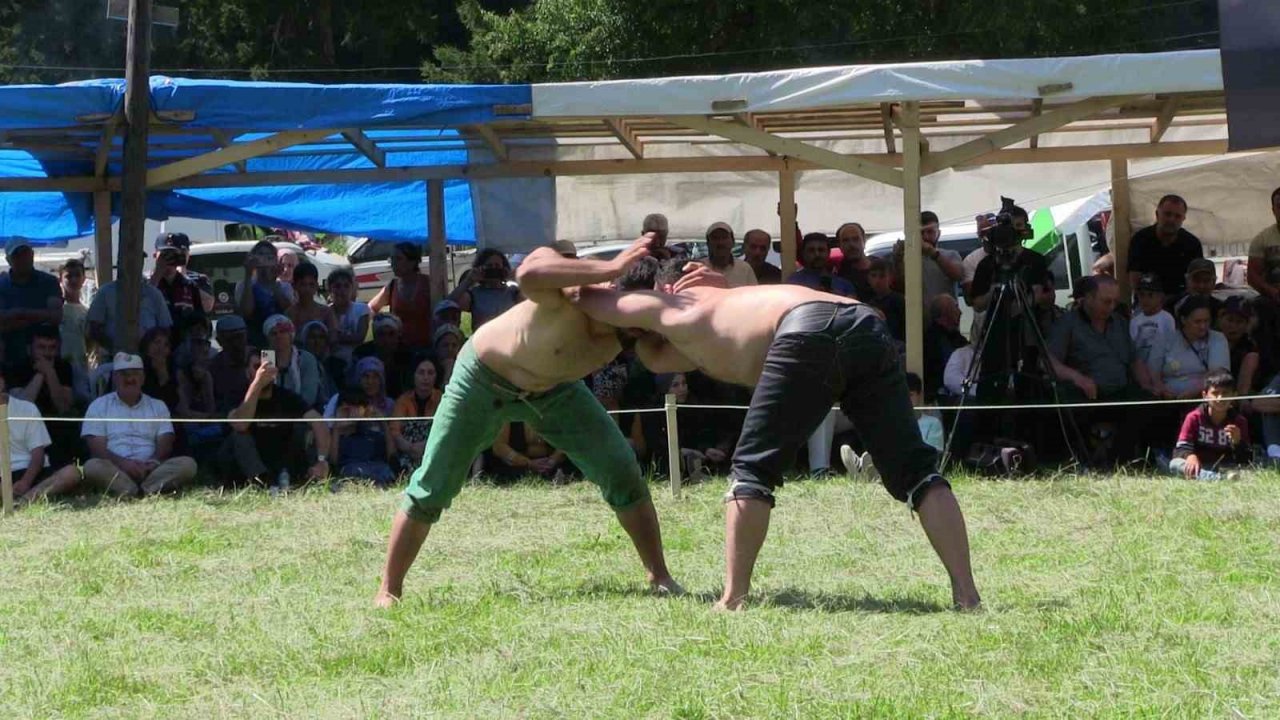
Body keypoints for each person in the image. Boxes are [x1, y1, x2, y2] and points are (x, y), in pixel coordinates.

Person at [574, 258, 980, 611]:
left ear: (662, 290)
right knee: (915, 470)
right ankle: (968, 596)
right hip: (862, 321)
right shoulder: (723, 306)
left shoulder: (670, 304)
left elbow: (590, 299)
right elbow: (655, 354)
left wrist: (601, 272)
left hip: (805, 330)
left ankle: (732, 599)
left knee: (752, 471)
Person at [375, 234, 681, 608]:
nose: (645, 320)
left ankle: (659, 575)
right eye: (642, 308)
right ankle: (388, 590)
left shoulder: (639, 333)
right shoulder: (574, 294)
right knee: (433, 484)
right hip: (482, 380)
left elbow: (678, 355)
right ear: (618, 292)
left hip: (554, 391)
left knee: (621, 468)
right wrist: (611, 266)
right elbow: (529, 271)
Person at [77, 353, 198, 497]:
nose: (130, 379)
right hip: (115, 469)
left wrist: (152, 462)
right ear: (114, 378)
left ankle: (143, 489)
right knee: (92, 466)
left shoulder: (158, 406)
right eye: (124, 374)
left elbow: (166, 442)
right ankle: (134, 490)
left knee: (188, 464)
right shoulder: (98, 406)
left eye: (135, 373)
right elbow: (97, 449)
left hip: (151, 470)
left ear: (143, 378)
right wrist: (123, 464)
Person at [223, 352, 331, 490]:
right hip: (245, 464)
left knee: (303, 429)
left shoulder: (286, 396)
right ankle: (261, 483)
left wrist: (321, 460)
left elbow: (318, 422)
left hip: (279, 458)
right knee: (239, 436)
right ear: (247, 372)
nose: (262, 371)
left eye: (267, 366)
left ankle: (302, 476)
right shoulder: (236, 395)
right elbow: (240, 425)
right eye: (257, 367)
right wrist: (257, 384)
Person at [842, 372, 944, 479]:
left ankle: (862, 470)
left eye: (910, 395)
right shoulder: (892, 421)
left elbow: (934, 455)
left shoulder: (933, 423)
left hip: (915, 467)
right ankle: (864, 468)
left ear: (919, 395)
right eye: (903, 395)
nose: (907, 399)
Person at [4, 366, 81, 507]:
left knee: (71, 472)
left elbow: (38, 455)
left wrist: (25, 482)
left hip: (31, 472)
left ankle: (25, 501)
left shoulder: (27, 408)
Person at [6, 323, 79, 466]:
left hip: (55, 425)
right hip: (25, 427)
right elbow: (21, 407)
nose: (47, 353)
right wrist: (40, 374)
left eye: (52, 348)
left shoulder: (64, 367)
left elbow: (64, 407)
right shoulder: (17, 367)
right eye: (41, 347)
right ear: (30, 349)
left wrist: (50, 372)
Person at [1166, 371, 1250, 480]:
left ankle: (1215, 476)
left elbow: (1246, 459)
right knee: (1174, 464)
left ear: (1234, 395)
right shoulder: (1194, 417)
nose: (1220, 398)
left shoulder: (1239, 421)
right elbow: (1181, 448)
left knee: (1244, 470)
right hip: (1199, 465)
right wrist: (1190, 456)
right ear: (1205, 395)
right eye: (1215, 393)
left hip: (1226, 466)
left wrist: (1238, 443)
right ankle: (1217, 478)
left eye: (1225, 393)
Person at [1148, 295, 1229, 401]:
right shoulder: (1165, 339)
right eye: (1197, 322)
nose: (1203, 326)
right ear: (1183, 320)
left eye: (1206, 321)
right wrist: (1162, 390)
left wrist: (1194, 393)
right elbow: (1154, 371)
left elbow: (1218, 374)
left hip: (1203, 398)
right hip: (1167, 398)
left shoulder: (1217, 338)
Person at [0, 237, 63, 365]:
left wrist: (18, 313)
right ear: (8, 260)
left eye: (25, 253)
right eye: (17, 255)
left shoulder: (49, 281)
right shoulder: (1, 285)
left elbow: (56, 316)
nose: (22, 259)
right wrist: (40, 316)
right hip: (9, 358)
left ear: (32, 254)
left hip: (47, 356)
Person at [1126, 194, 1203, 297]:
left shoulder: (1192, 244)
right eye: (1167, 214)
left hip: (1181, 300)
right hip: (1148, 299)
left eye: (1177, 216)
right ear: (1157, 214)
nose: (1171, 219)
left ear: (1183, 218)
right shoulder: (1140, 240)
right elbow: (1135, 280)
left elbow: (1197, 281)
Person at [87, 273, 172, 357]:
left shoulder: (154, 294)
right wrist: (116, 348)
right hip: (114, 357)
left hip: (147, 358)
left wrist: (152, 346)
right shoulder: (105, 292)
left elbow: (166, 328)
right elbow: (94, 329)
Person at [891, 211, 964, 305]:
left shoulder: (950, 255)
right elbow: (899, 288)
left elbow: (958, 275)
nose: (925, 237)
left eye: (930, 232)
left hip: (945, 313)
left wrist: (932, 252)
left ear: (938, 233)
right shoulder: (908, 259)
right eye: (921, 232)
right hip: (918, 314)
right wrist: (897, 259)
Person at [369, 242, 432, 350]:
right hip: (399, 349)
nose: (393, 264)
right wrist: (380, 323)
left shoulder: (427, 284)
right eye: (392, 259)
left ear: (412, 262)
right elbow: (371, 308)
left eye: (398, 259)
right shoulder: (392, 286)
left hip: (425, 347)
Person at [235, 239, 295, 348]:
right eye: (260, 254)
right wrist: (248, 274)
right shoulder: (244, 285)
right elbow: (246, 312)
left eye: (269, 256)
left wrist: (273, 282)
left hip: (280, 342)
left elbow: (288, 311)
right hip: (255, 341)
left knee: (275, 358)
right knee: (266, 358)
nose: (264, 259)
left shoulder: (284, 286)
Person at [151, 232, 207, 344]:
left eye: (173, 255)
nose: (169, 259)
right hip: (156, 344)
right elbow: (142, 304)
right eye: (164, 255)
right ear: (155, 256)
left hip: (184, 343)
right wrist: (157, 274)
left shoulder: (189, 286)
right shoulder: (146, 283)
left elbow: (200, 317)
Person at [390, 356, 443, 472]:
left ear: (436, 376)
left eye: (430, 373)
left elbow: (445, 430)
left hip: (434, 451)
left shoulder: (443, 399)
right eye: (421, 373)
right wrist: (410, 447)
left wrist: (426, 446)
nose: (426, 377)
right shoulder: (403, 400)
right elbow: (395, 431)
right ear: (413, 375)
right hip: (407, 451)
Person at [449, 249, 521, 330]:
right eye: (489, 266)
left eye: (497, 266)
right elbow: (449, 303)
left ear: (504, 269)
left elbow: (530, 303)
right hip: (482, 337)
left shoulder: (513, 292)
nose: (494, 269)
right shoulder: (474, 294)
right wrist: (469, 280)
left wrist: (516, 279)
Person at [262, 314, 322, 408]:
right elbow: (264, 394)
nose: (278, 336)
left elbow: (309, 396)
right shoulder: (265, 359)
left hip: (302, 411)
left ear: (291, 335)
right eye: (273, 333)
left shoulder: (306, 358)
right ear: (268, 338)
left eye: (282, 332)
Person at [355, 314, 414, 397]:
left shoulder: (408, 356)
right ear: (375, 337)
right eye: (381, 334)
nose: (386, 340)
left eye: (391, 334)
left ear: (398, 337)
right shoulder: (362, 354)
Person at [153, 232, 214, 313]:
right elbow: (141, 302)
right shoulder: (146, 280)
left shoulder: (199, 279)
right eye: (165, 253)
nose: (170, 257)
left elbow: (207, 307)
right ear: (155, 255)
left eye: (175, 254)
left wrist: (183, 277)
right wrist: (157, 275)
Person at [923, 294, 968, 398]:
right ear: (945, 313)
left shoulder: (957, 338)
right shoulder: (932, 341)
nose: (960, 312)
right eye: (956, 307)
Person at [58, 258, 91, 397]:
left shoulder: (87, 312)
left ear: (84, 279)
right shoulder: (56, 311)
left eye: (77, 275)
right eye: (68, 276)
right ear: (60, 279)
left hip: (80, 364)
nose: (73, 280)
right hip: (59, 363)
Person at [1218, 296, 1262, 397]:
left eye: (1239, 322)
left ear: (1247, 324)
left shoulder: (1249, 348)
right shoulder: (1209, 340)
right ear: (1220, 319)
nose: (1233, 326)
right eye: (1230, 320)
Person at [209, 315, 253, 414]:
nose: (236, 343)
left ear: (246, 336)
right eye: (230, 339)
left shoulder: (263, 358)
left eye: (239, 337)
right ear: (219, 341)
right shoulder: (213, 367)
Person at [788, 233, 855, 296]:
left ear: (828, 253)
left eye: (821, 250)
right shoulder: (794, 282)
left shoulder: (844, 285)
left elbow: (852, 302)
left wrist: (838, 297)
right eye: (811, 250)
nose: (817, 254)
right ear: (804, 253)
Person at [327, 268, 370, 365]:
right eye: (337, 286)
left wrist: (335, 337)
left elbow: (360, 337)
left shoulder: (362, 309)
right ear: (330, 289)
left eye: (346, 286)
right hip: (331, 361)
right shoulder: (325, 312)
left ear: (352, 288)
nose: (342, 290)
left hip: (355, 360)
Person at [1130, 273, 1175, 365]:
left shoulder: (1167, 318)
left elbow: (1171, 345)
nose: (1145, 299)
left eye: (1150, 295)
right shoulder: (1134, 321)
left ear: (1160, 297)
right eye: (1142, 295)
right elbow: (1133, 347)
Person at [286, 263, 338, 340]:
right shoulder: (290, 314)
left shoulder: (326, 312)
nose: (307, 289)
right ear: (294, 286)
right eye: (303, 284)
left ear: (316, 286)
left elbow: (333, 338)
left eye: (311, 284)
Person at [300, 320, 344, 409]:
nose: (317, 342)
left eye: (321, 337)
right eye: (312, 337)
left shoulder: (335, 366)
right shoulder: (297, 364)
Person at [863, 256, 905, 343]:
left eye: (882, 276)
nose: (877, 281)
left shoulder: (899, 301)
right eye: (873, 276)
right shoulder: (869, 304)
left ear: (891, 278)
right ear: (868, 279)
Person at [703, 222, 758, 288]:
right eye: (715, 238)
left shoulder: (745, 269)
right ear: (708, 243)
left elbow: (754, 293)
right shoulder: (700, 269)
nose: (720, 242)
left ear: (733, 242)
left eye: (724, 237)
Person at [832, 222, 874, 300]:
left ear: (864, 240)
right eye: (845, 241)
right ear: (839, 245)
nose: (851, 244)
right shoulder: (838, 276)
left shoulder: (882, 266)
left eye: (856, 239)